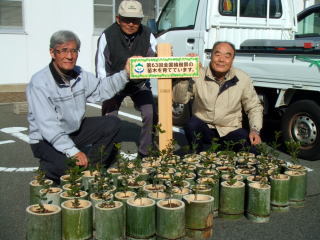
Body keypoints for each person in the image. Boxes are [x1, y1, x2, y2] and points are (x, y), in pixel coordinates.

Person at [26, 30, 134, 184]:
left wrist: (125, 74)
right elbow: (48, 127)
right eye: (63, 50)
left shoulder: (80, 75)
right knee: (69, 169)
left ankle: (93, 169)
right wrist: (73, 152)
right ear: (52, 52)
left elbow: (101, 89)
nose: (69, 56)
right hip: (45, 140)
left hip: (74, 130)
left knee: (113, 123)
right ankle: (48, 167)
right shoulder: (39, 83)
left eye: (74, 50)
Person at [173, 41, 263, 153]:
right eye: (218, 54)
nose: (221, 59)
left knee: (251, 150)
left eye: (227, 56)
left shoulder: (242, 78)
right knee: (192, 124)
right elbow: (179, 99)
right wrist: (184, 77)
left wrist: (255, 130)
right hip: (204, 127)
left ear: (232, 59)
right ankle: (196, 157)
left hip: (230, 129)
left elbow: (254, 107)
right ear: (211, 56)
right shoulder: (199, 74)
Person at [95, 0, 157, 158]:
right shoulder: (107, 35)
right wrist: (105, 90)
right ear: (118, 19)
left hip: (139, 83)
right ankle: (107, 152)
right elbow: (101, 67)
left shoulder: (148, 34)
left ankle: (145, 152)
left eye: (136, 20)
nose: (131, 23)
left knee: (150, 113)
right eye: (126, 19)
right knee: (109, 118)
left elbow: (157, 57)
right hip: (114, 82)